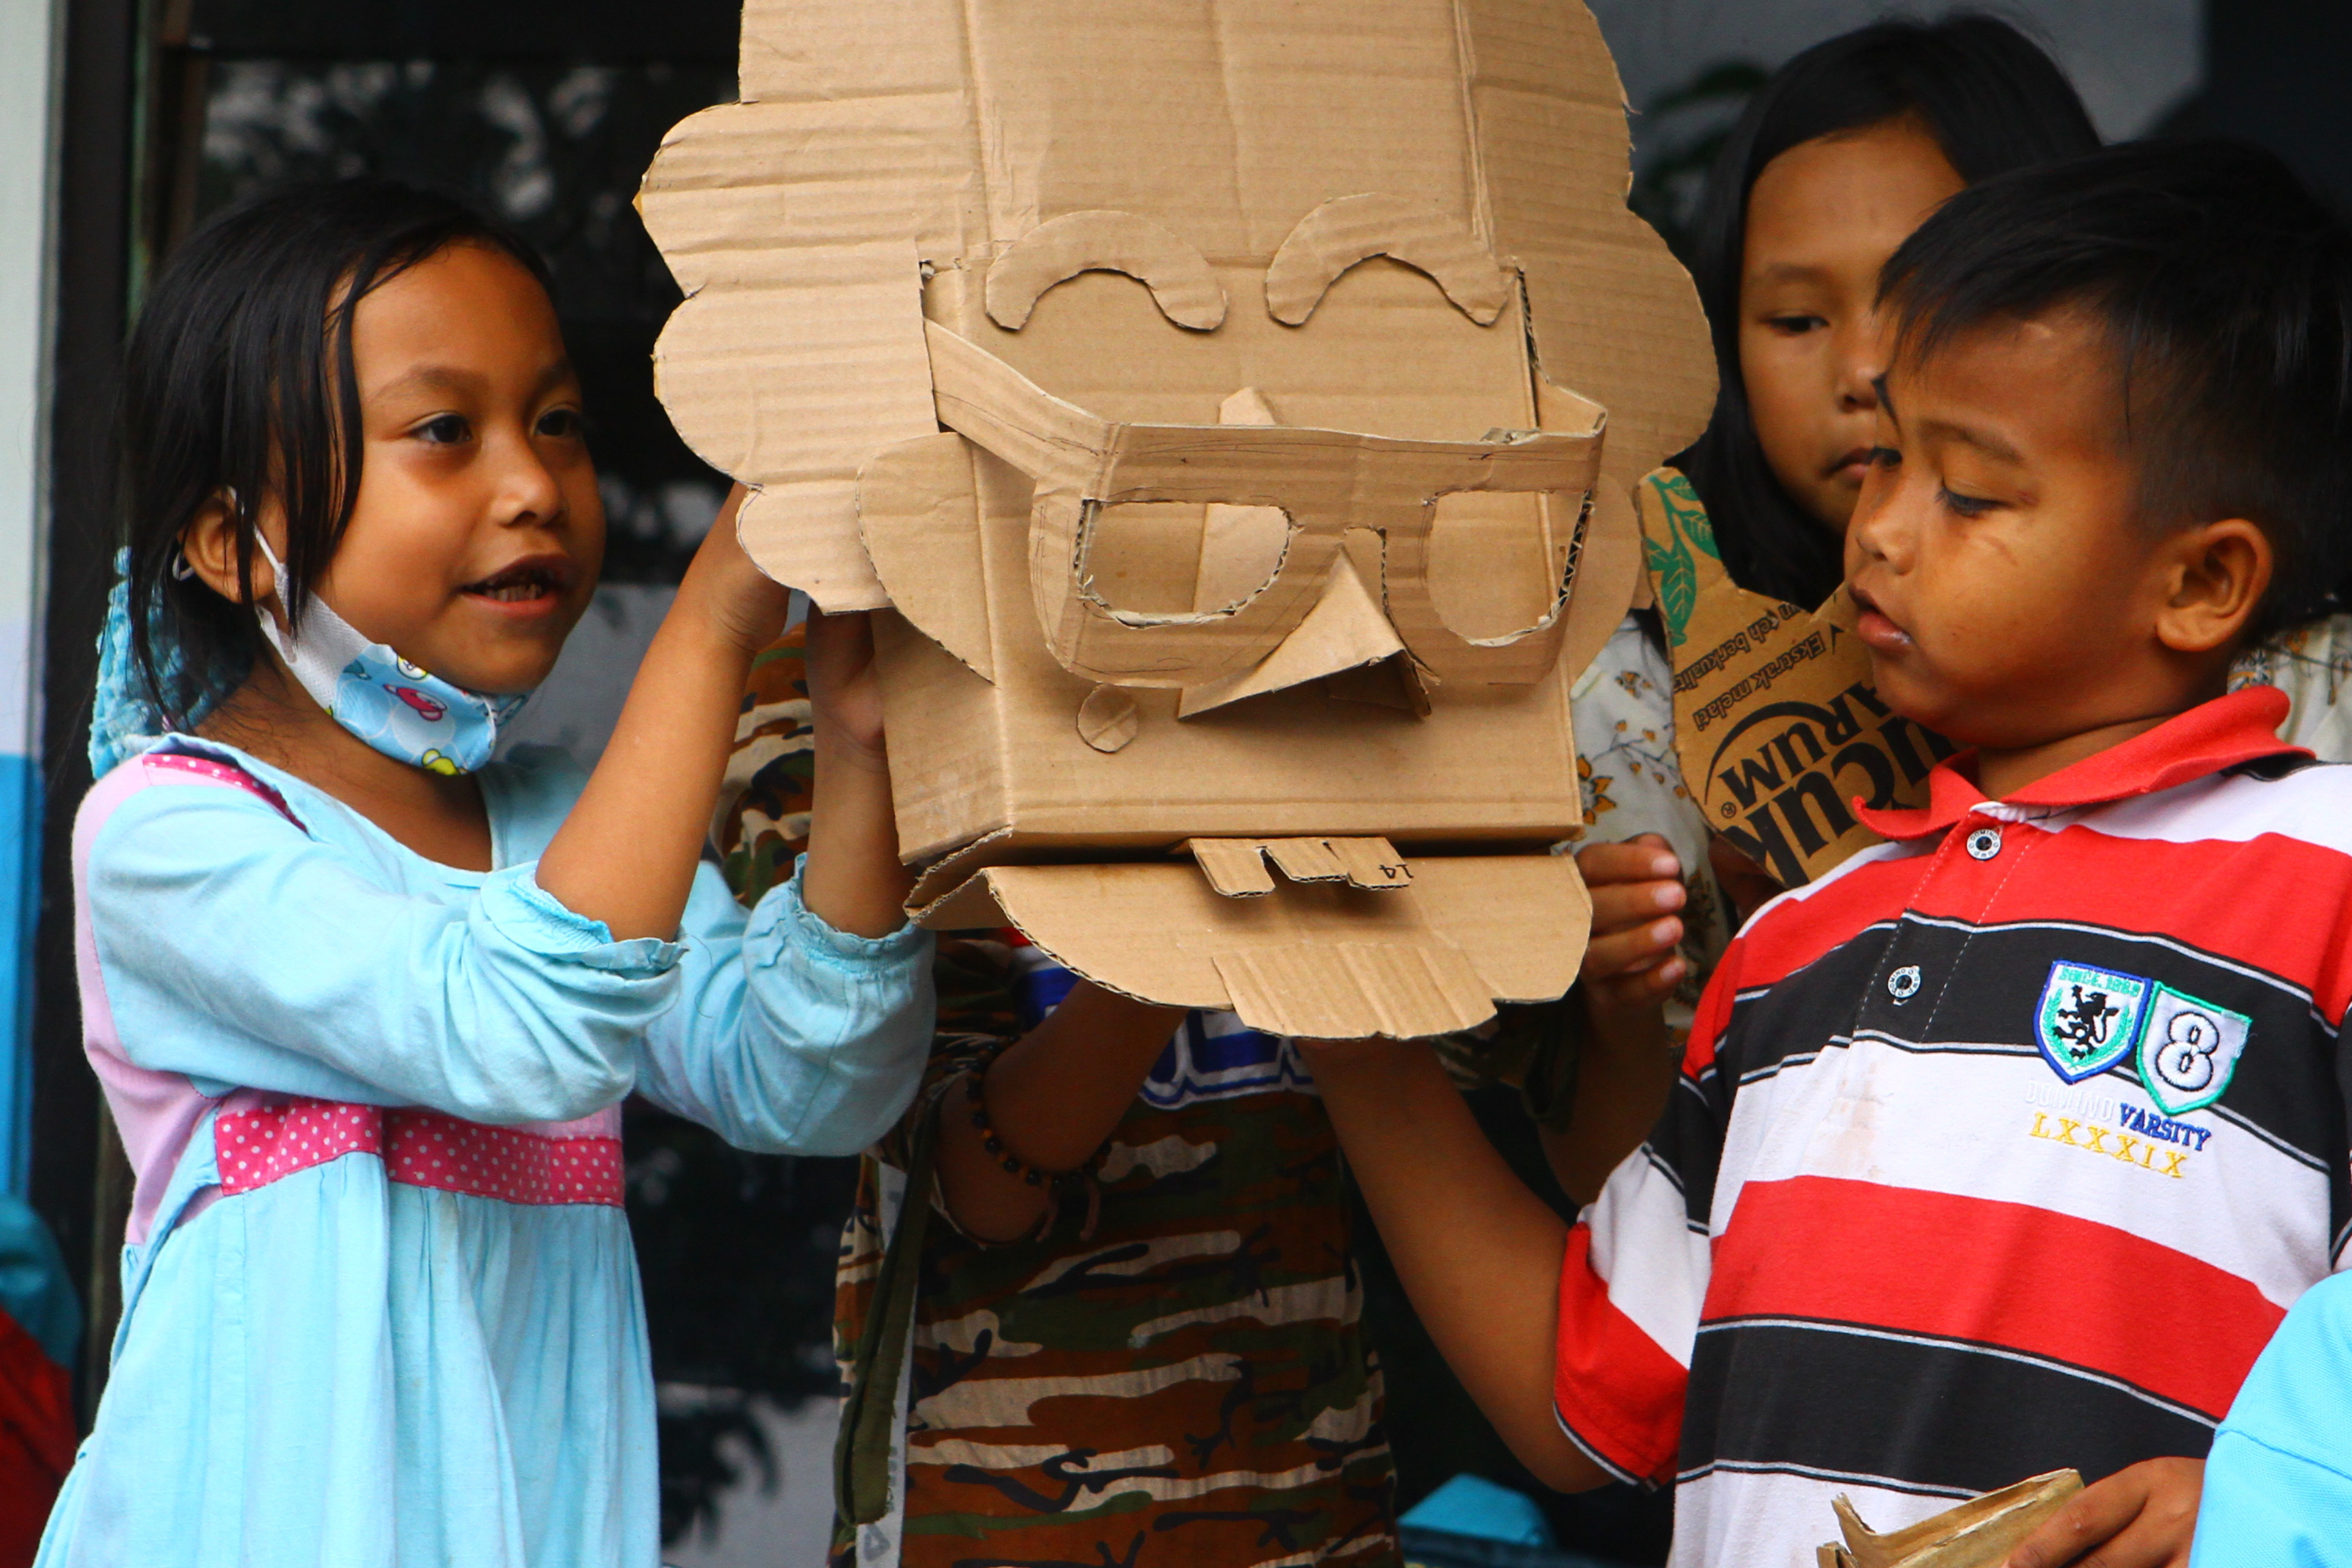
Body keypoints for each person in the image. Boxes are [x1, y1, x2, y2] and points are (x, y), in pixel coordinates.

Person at [1306, 139, 2352, 1568]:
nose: (1881, 532)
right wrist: (1337, 1015)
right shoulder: (1803, 934)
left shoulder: (2325, 874)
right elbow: (1590, 1401)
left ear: (2201, 581)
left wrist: (2284, 1507)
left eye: (1970, 493)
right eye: (1888, 462)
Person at [38, 179, 935, 1568]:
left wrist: (864, 753)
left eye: (557, 422)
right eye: (444, 432)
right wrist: (707, 628)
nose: (531, 485)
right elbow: (512, 1026)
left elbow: (808, 1082)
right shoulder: (167, 835)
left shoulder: (562, 834)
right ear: (229, 543)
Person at [1557, 18, 2103, 1190]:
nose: (1863, 366)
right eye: (1797, 320)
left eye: (1927, 293)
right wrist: (1623, 1004)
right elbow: (1610, 1206)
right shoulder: (1626, 714)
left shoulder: (2292, 702)